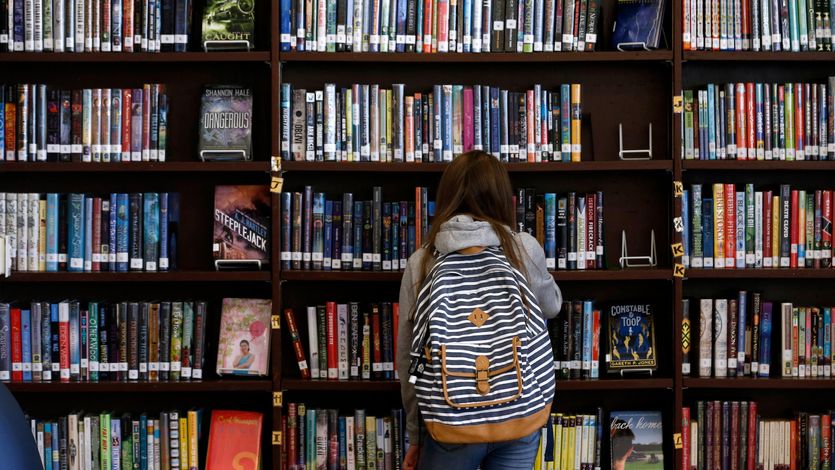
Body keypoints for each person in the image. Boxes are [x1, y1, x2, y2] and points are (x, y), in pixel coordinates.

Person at [397, 150, 562, 470]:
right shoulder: (523, 248)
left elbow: (409, 360)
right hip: (519, 414)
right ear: (502, 196)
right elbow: (551, 307)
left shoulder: (421, 261)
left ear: (447, 197)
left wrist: (415, 435)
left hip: (451, 421)